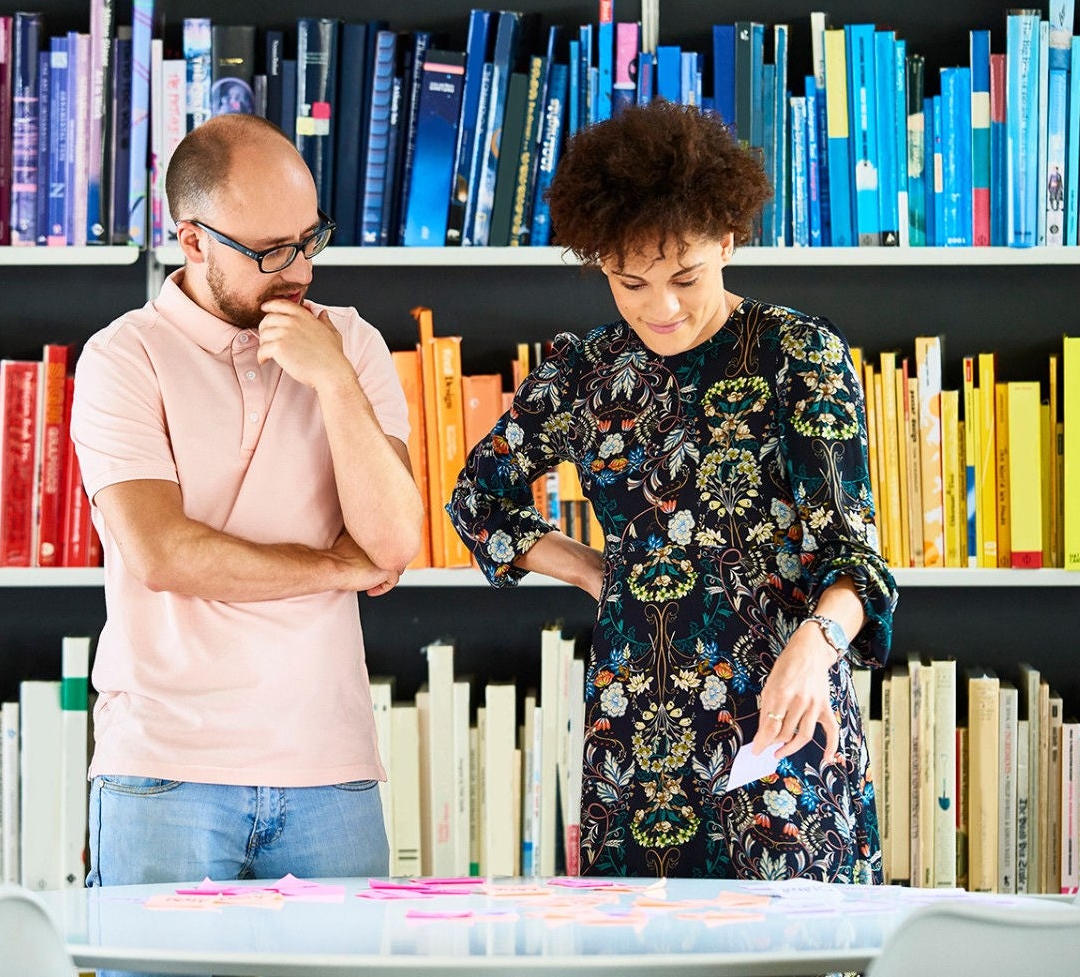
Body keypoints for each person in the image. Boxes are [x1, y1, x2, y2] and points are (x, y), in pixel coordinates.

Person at [447, 101, 898, 883]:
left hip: (780, 717)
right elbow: (477, 500)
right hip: (636, 739)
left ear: (727, 239)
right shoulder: (585, 373)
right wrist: (595, 572)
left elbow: (855, 555)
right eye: (631, 282)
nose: (662, 307)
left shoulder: (796, 354)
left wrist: (816, 646)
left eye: (685, 276)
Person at [71, 113, 426, 900]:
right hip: (163, 771)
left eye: (309, 240)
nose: (298, 270)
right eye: (268, 252)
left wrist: (331, 379)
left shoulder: (351, 344)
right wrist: (335, 564)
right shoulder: (122, 358)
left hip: (329, 769)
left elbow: (396, 541)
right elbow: (165, 555)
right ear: (192, 240)